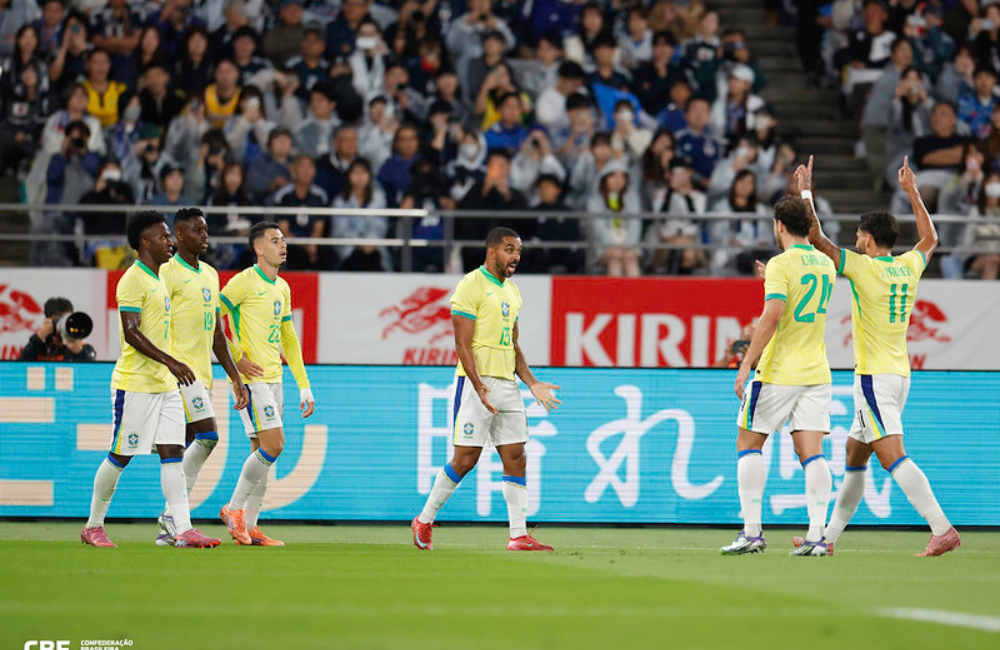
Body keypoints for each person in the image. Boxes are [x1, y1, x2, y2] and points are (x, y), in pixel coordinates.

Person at [801, 155, 960, 557]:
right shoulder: (908, 266)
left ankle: (941, 528)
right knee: (855, 458)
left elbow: (816, 237)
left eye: (858, 233)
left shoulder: (862, 267)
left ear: (868, 239)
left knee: (893, 457)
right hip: (899, 375)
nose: (855, 239)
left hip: (873, 377)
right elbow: (931, 239)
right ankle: (827, 538)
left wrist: (805, 189)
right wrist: (913, 193)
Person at [412, 227, 561, 552]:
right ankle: (424, 519)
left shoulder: (513, 293)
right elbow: (462, 344)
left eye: (518, 250)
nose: (516, 256)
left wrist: (532, 382)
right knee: (466, 459)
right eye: (509, 249)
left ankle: (518, 535)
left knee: (516, 456)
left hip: (507, 384)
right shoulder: (470, 285)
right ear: (492, 251)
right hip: (475, 383)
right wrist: (478, 385)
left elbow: (513, 345)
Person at [80, 211, 220, 549]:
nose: (169, 242)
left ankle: (182, 527)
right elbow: (131, 334)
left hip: (165, 386)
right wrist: (171, 361)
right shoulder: (133, 279)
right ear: (145, 243)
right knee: (120, 456)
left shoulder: (159, 279)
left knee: (173, 453)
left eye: (170, 236)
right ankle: (93, 525)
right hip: (135, 385)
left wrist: (171, 368)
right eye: (163, 237)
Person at [720, 193, 836, 557]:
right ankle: (818, 536)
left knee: (748, 443)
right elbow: (797, 300)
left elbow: (772, 316)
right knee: (812, 454)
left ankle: (752, 532)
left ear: (779, 225)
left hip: (779, 371)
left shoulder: (781, 264)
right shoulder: (825, 264)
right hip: (816, 370)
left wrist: (746, 363)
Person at [155, 208, 250, 546]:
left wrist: (235, 376)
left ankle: (172, 525)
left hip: (203, 377)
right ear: (179, 236)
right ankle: (173, 519)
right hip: (176, 375)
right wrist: (163, 365)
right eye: (197, 230)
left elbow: (216, 334)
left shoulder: (210, 274)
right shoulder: (166, 272)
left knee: (180, 451)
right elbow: (154, 321)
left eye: (206, 229)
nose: (205, 235)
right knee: (205, 437)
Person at [219, 221, 316, 546]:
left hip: (275, 378)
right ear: (259, 248)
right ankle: (234, 510)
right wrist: (235, 357)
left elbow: (288, 338)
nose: (283, 245)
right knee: (274, 446)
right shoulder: (242, 283)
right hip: (252, 379)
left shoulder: (282, 287)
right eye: (275, 241)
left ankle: (250, 526)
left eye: (283, 240)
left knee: (261, 452)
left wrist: (303, 384)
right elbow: (212, 321)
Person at [18, 297, 96, 362]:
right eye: (57, 320)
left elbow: (94, 372)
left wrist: (80, 352)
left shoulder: (81, 347)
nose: (61, 326)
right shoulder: (38, 347)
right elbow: (18, 367)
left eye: (65, 320)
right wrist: (38, 338)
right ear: (47, 321)